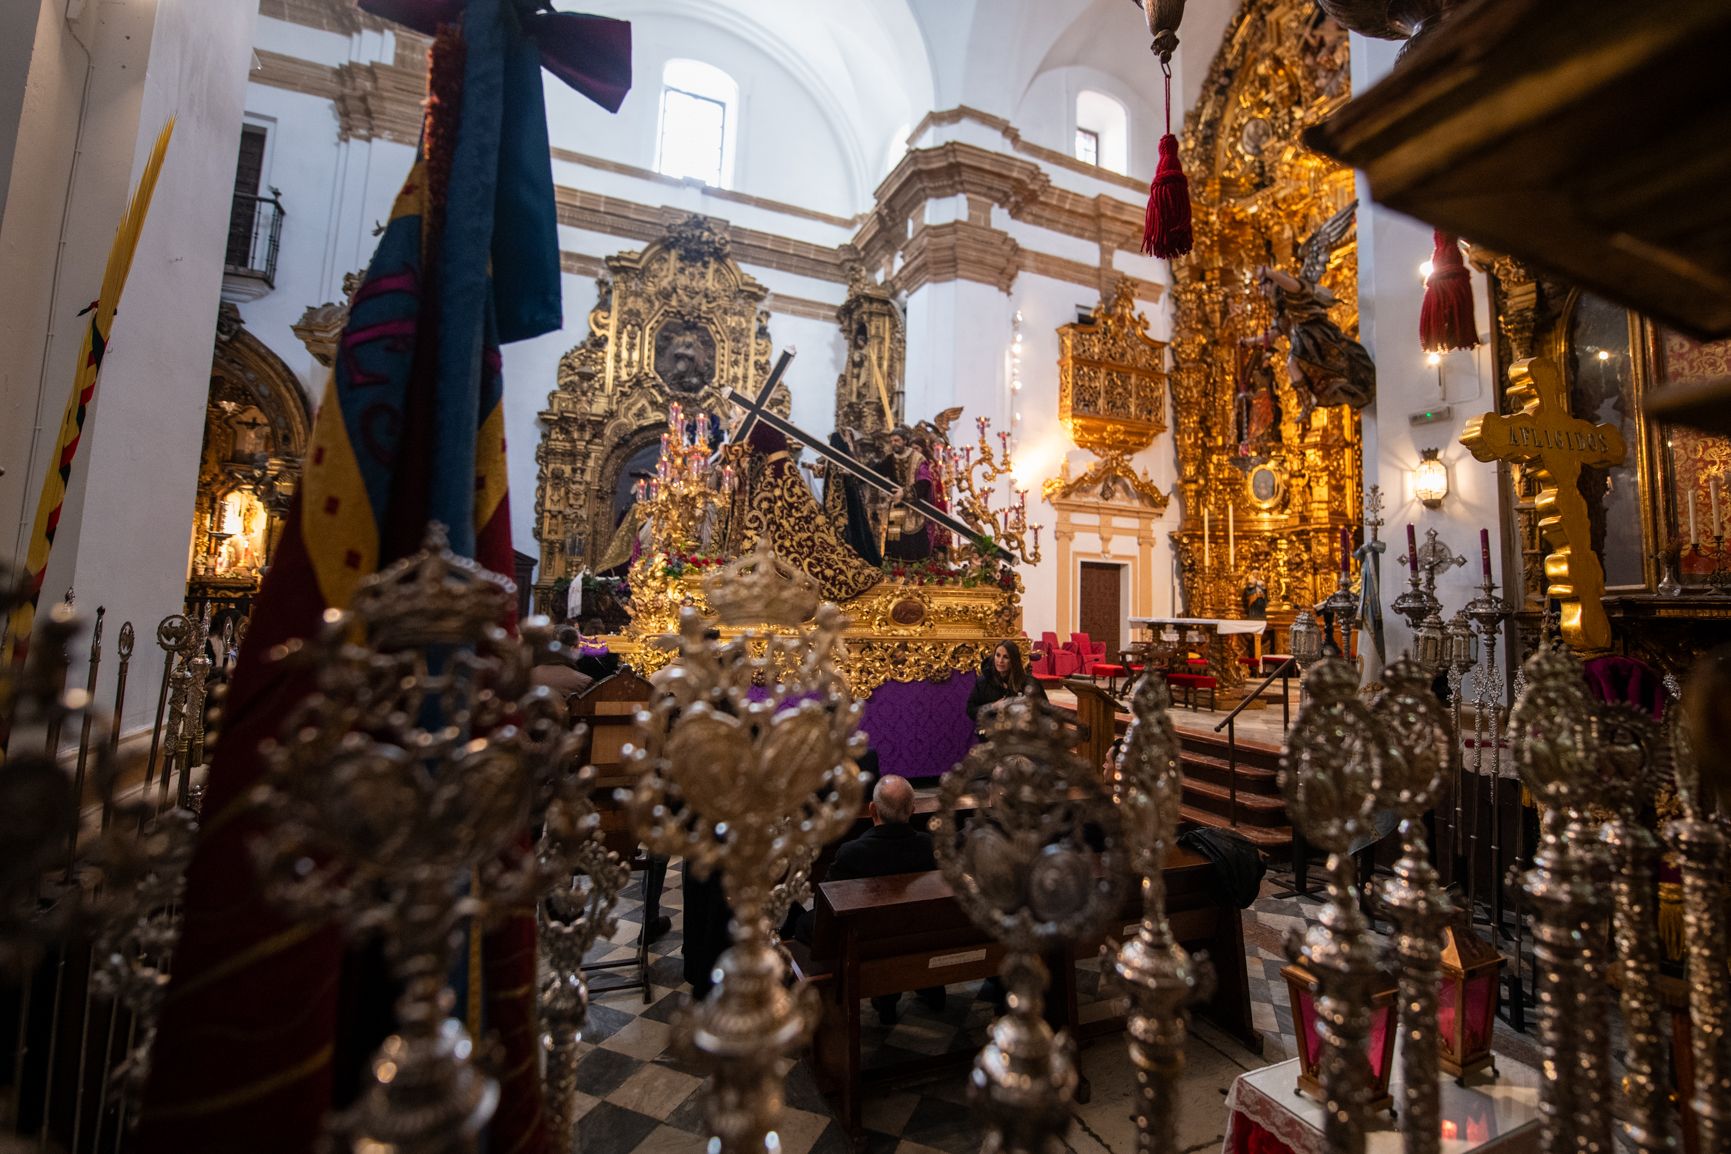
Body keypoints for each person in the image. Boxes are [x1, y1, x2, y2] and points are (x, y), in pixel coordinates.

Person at [825, 774, 946, 1025]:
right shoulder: (932, 847)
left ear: (872, 809)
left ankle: (887, 999)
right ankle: (929, 987)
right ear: (913, 810)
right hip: (928, 941)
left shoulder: (851, 853)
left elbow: (825, 914)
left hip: (868, 952)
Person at [966, 639, 1048, 724]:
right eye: (998, 655)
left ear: (1013, 660)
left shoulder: (1030, 683)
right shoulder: (983, 681)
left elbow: (1046, 712)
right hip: (992, 732)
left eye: (1006, 657)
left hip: (1022, 732)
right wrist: (993, 707)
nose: (1000, 661)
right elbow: (971, 711)